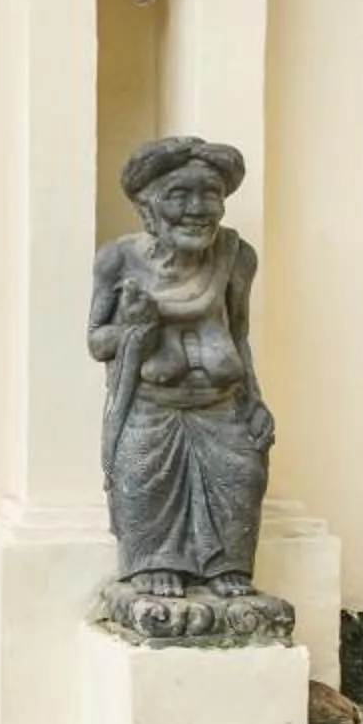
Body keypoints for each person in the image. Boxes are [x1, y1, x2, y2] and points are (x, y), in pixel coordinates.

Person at [87, 137, 273, 601]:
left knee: (242, 479)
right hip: (153, 409)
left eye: (210, 193)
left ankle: (226, 566)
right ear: (148, 207)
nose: (197, 208)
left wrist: (255, 402)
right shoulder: (118, 260)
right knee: (143, 482)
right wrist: (135, 327)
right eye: (179, 195)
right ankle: (155, 564)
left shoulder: (236, 257)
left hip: (220, 407)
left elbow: (240, 333)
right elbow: (97, 341)